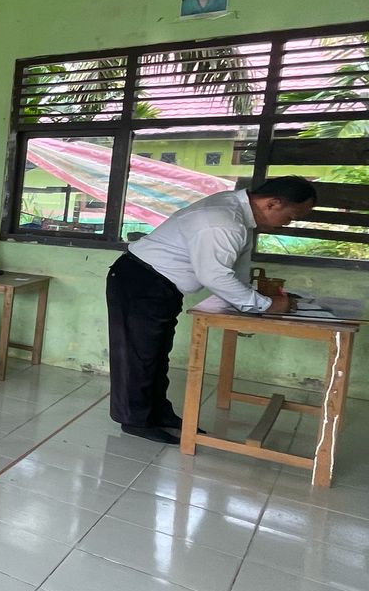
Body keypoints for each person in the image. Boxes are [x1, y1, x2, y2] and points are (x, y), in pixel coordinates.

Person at [106, 177, 315, 443]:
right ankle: (135, 421)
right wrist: (265, 305)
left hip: (157, 285)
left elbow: (232, 271)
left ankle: (158, 413)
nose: (289, 223)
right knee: (139, 355)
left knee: (156, 355)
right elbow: (215, 276)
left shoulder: (238, 217)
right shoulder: (223, 220)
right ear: (272, 203)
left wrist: (250, 304)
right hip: (140, 282)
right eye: (291, 216)